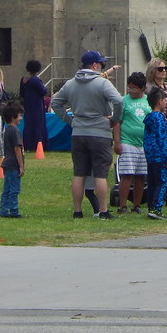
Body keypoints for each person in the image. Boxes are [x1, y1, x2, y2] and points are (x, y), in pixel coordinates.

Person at [50, 50, 123, 220]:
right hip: (100, 132)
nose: (102, 67)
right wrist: (114, 118)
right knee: (100, 173)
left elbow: (55, 102)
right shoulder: (102, 83)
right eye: (101, 64)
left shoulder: (70, 84)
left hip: (78, 132)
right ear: (94, 65)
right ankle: (103, 210)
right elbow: (118, 101)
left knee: (79, 173)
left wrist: (69, 120)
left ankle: (77, 211)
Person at [113, 71, 149, 214]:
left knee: (140, 176)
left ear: (142, 88)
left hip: (143, 143)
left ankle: (137, 205)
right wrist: (117, 142)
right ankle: (122, 206)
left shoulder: (147, 101)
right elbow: (117, 123)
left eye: (134, 88)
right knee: (127, 174)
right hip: (127, 142)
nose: (131, 90)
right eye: (129, 87)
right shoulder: (124, 101)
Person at [146, 57, 167, 204]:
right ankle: (162, 194)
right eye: (160, 69)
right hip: (158, 125)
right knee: (160, 163)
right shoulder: (149, 88)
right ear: (153, 71)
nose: (164, 71)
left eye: (165, 68)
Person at [143, 87, 167, 220]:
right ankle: (157, 208)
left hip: (150, 156)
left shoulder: (149, 118)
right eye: (165, 99)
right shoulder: (160, 118)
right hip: (160, 156)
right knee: (162, 182)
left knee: (152, 182)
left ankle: (151, 206)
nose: (166, 102)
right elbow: (163, 139)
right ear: (159, 101)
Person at [0, 101, 25, 218]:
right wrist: (21, 165)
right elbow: (17, 149)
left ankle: (3, 210)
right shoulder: (15, 131)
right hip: (13, 164)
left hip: (7, 164)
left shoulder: (7, 129)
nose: (21, 118)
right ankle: (14, 211)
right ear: (13, 117)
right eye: (19, 115)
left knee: (7, 189)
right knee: (14, 190)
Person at [19, 60, 49, 154]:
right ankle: (38, 144)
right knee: (38, 125)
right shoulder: (36, 80)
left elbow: (21, 93)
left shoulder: (24, 79)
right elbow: (43, 91)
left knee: (28, 125)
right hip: (37, 105)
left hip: (27, 105)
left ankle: (27, 144)